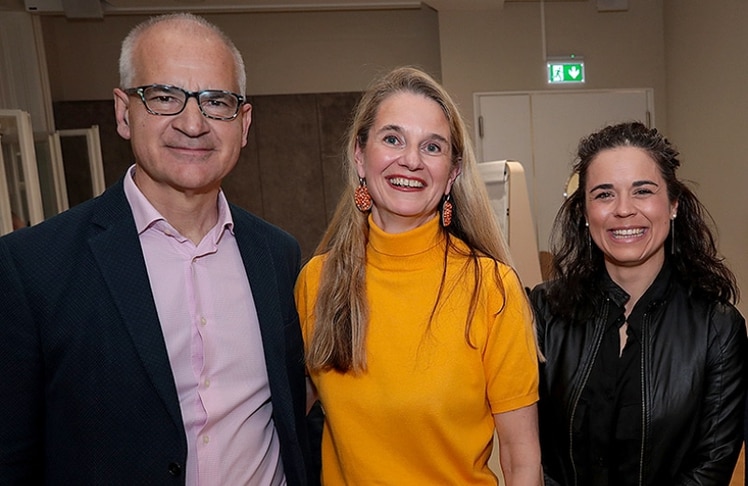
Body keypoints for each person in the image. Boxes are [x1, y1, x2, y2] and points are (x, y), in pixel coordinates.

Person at [0, 13, 310, 485]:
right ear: (124, 112)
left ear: (243, 124)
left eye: (216, 102)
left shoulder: (277, 255)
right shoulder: (31, 268)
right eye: (164, 97)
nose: (193, 123)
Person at [294, 66, 542, 485]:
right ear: (359, 155)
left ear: (453, 173)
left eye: (432, 146)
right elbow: (274, 421)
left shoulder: (491, 288)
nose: (411, 160)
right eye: (392, 139)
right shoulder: (318, 282)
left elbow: (522, 460)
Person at [530, 121, 747, 485]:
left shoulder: (718, 327)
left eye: (642, 191)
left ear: (673, 204)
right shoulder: (544, 311)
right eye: (604, 194)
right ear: (584, 212)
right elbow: (529, 452)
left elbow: (710, 466)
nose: (623, 210)